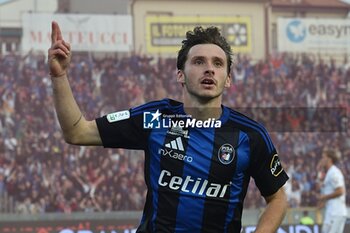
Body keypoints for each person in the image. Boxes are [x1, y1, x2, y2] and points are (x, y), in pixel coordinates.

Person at [48, 21, 289, 233]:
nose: (209, 68)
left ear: (227, 79)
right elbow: (77, 131)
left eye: (218, 63)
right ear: (180, 75)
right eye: (198, 61)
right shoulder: (155, 117)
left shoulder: (250, 134)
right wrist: (60, 77)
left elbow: (277, 199)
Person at [317, 149, 347, 233]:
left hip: (336, 213)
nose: (321, 160)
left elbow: (341, 191)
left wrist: (324, 197)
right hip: (331, 212)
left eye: (323, 157)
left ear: (329, 159)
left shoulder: (334, 172)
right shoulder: (329, 173)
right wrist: (324, 202)